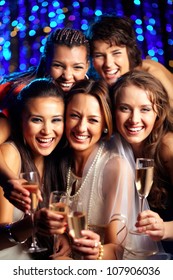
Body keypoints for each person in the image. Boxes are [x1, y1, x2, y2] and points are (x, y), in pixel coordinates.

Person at [54, 78, 140, 260]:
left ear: (105, 125)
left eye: (93, 120)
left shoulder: (116, 167)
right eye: (74, 116)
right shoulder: (58, 160)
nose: (81, 127)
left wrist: (97, 252)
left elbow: (118, 249)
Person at [0, 77, 70, 259]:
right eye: (37, 120)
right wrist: (32, 224)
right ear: (21, 120)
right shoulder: (10, 154)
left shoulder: (57, 160)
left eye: (56, 120)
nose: (47, 130)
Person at [111, 69, 173, 256]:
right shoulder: (114, 146)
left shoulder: (168, 147)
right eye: (125, 108)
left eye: (145, 109)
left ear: (158, 112)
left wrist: (165, 228)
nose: (134, 119)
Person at [0, 27, 90, 144]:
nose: (67, 76)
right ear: (45, 62)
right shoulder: (23, 93)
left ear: (87, 66)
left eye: (77, 67)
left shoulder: (92, 96)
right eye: (58, 65)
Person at [86, 14, 173, 107]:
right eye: (99, 55)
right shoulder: (92, 85)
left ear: (130, 52)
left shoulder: (152, 75)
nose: (108, 64)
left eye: (116, 53)